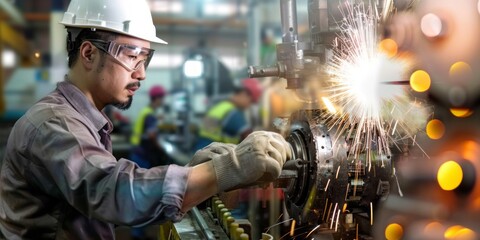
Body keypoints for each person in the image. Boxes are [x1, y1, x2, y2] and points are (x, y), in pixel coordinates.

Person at [0, 0, 292, 239]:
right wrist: (225, 169)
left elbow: (95, 206)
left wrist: (194, 175)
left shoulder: (83, 121)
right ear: (88, 53)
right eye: (132, 56)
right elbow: (112, 192)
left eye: (146, 59)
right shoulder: (54, 124)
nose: (141, 73)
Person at [194, 78, 263, 151]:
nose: (249, 106)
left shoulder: (222, 106)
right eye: (251, 101)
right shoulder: (232, 113)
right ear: (244, 94)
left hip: (202, 151)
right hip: (212, 156)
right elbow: (250, 138)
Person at [130, 85, 169, 169]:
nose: (163, 101)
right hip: (143, 155)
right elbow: (152, 136)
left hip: (137, 151)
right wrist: (162, 149)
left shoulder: (145, 111)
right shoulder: (150, 115)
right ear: (157, 99)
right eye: (162, 99)